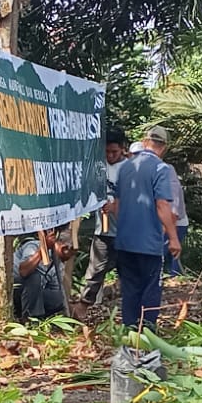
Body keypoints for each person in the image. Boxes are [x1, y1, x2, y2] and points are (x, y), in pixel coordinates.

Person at [110, 125, 181, 329]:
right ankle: (147, 330)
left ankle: (130, 328)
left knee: (130, 287)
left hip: (124, 241)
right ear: (164, 147)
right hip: (149, 242)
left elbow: (117, 205)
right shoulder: (161, 168)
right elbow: (162, 204)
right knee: (151, 287)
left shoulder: (125, 167)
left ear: (144, 140)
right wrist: (173, 237)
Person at [79, 127, 128, 307]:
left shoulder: (129, 168)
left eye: (114, 152)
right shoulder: (98, 166)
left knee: (126, 269)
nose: (110, 155)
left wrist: (115, 206)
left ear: (122, 148)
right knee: (96, 270)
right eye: (106, 151)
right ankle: (85, 303)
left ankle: (124, 304)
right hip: (103, 229)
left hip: (125, 230)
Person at [14, 226, 73, 319]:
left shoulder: (58, 266)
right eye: (70, 251)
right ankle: (30, 318)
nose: (70, 255)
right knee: (34, 277)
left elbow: (53, 290)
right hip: (15, 288)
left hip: (31, 296)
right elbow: (23, 271)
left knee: (58, 298)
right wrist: (42, 250)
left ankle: (36, 316)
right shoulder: (33, 246)